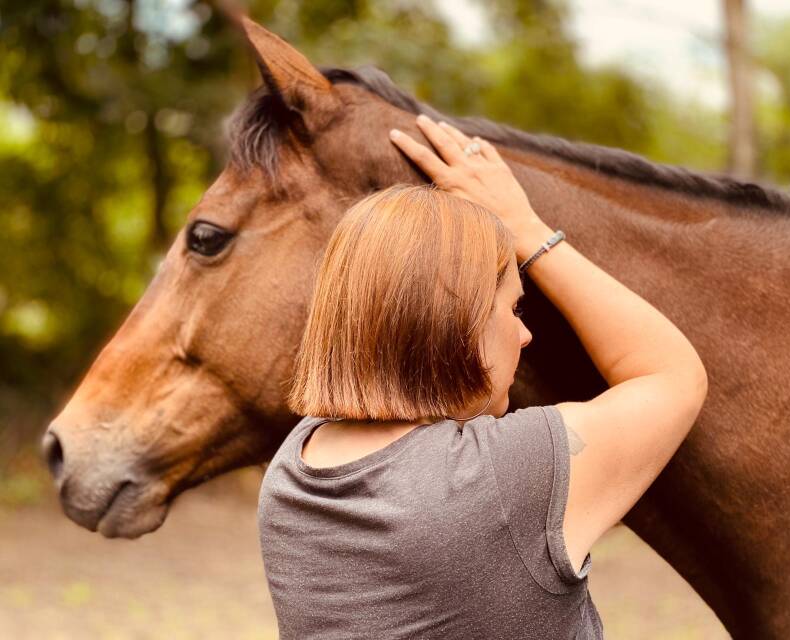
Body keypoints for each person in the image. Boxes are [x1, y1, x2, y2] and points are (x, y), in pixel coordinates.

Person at [257, 114, 708, 639]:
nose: (525, 335)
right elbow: (672, 374)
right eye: (513, 310)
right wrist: (528, 231)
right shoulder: (500, 476)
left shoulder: (290, 473)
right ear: (456, 320)